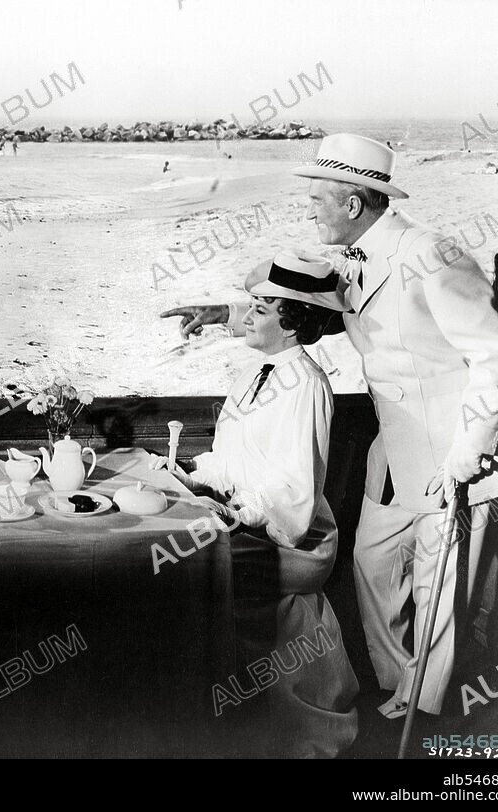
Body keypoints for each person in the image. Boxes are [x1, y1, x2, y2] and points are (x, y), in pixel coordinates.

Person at [161, 134, 498, 719]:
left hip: (454, 449)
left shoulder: (432, 254)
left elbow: (495, 356)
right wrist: (222, 314)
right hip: (395, 442)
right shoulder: (357, 257)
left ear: (353, 205)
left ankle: (423, 710)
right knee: (372, 563)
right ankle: (394, 680)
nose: (308, 210)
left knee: (439, 586)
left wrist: (470, 450)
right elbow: (307, 310)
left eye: (317, 200)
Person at [153, 251, 359, 757]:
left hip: (293, 540)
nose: (244, 316)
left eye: (259, 310)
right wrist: (192, 475)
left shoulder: (306, 385)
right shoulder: (256, 372)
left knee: (176, 569)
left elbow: (293, 497)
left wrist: (235, 515)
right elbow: (231, 460)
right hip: (251, 520)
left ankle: (207, 718)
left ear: (290, 326)